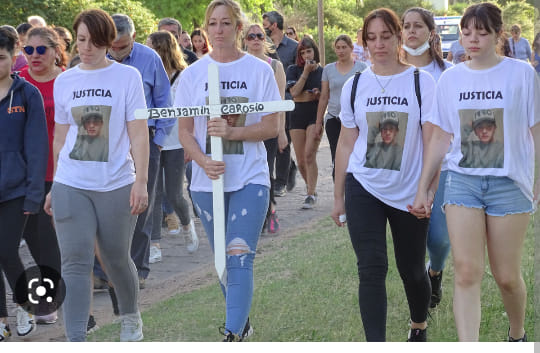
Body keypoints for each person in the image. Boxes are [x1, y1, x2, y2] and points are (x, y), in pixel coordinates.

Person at [410, 2, 540, 342]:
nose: (472, 39)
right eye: (467, 33)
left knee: (506, 276)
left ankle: (517, 334)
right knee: (467, 271)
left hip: (509, 183)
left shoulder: (522, 73)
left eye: (481, 33)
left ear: (497, 34)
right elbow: (440, 135)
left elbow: (536, 130)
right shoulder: (451, 78)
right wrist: (424, 187)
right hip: (462, 181)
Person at [176, 0, 281, 341]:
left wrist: (232, 132)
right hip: (207, 183)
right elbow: (184, 133)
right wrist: (203, 161)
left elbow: (271, 126)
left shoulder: (258, 70)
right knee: (222, 263)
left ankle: (232, 336)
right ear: (205, 29)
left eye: (225, 23)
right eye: (212, 24)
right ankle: (243, 325)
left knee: (238, 256)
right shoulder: (192, 75)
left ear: (238, 28)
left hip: (249, 176)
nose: (218, 30)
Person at [44, 8, 150, 341]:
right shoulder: (65, 80)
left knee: (116, 259)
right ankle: (76, 339)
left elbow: (138, 133)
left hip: (116, 183)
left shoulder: (126, 78)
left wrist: (141, 181)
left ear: (108, 40)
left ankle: (130, 316)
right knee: (75, 262)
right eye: (81, 40)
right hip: (71, 184)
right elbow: (61, 137)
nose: (85, 48)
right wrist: (54, 185)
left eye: (93, 40)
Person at [331, 8, 436, 342]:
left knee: (412, 270)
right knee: (371, 268)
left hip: (410, 192)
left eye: (386, 36)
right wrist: (337, 196)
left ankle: (418, 324)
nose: (378, 44)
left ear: (399, 36)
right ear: (364, 41)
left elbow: (433, 143)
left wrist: (427, 192)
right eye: (371, 37)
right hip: (363, 185)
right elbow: (346, 144)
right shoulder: (355, 84)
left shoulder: (422, 81)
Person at [106, 13, 173, 289]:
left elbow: (164, 102)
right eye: (111, 46)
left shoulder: (150, 59)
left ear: (133, 38)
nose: (115, 52)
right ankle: (106, 269)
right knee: (107, 205)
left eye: (122, 46)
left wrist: (157, 141)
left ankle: (137, 270)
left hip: (144, 140)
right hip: (107, 141)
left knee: (141, 205)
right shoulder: (96, 58)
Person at [400, 6, 454, 309]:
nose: (411, 31)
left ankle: (435, 271)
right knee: (411, 238)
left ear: (430, 32)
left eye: (417, 26)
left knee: (440, 238)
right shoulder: (392, 70)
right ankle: (419, 296)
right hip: (405, 169)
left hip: (442, 167)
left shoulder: (446, 73)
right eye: (406, 26)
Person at [0, 27, 48, 341]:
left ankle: (24, 304)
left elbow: (36, 147)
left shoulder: (26, 93)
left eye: (1, 58)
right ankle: (2, 322)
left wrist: (34, 195)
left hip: (17, 190)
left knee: (5, 250)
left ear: (13, 56)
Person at [18, 26, 65, 324]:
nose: (34, 56)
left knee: (48, 239)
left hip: (58, 171)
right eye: (28, 50)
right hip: (23, 174)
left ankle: (49, 301)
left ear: (55, 50)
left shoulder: (67, 81)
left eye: (40, 50)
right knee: (28, 236)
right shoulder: (17, 83)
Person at [145, 30, 199, 263]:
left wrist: (191, 143)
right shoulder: (144, 75)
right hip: (153, 142)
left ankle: (187, 225)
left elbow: (193, 111)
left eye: (149, 47)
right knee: (153, 195)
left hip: (177, 142)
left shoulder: (184, 76)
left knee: (174, 193)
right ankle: (154, 244)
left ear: (161, 49)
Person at [244, 23, 287, 233]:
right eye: (250, 36)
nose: (255, 39)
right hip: (245, 127)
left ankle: (269, 209)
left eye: (259, 35)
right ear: (244, 40)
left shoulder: (275, 66)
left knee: (266, 169)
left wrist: (282, 132)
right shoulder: (239, 64)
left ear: (265, 39)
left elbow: (280, 101)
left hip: (268, 126)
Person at [315, 34, 366, 180]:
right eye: (338, 48)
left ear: (351, 48)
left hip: (355, 121)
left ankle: (355, 188)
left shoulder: (362, 67)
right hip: (333, 119)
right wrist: (318, 122)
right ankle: (339, 193)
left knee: (355, 155)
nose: (341, 51)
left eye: (344, 47)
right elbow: (324, 96)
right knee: (337, 157)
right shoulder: (329, 69)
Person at [263, 10, 298, 197]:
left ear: (273, 25)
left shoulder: (294, 47)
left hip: (286, 101)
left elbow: (299, 73)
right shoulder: (262, 45)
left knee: (282, 141)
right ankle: (289, 166)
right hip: (266, 102)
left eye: (265, 24)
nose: (263, 28)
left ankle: (281, 182)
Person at [286, 37, 323, 209]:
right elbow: (294, 92)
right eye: (302, 52)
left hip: (314, 115)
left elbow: (323, 96)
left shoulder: (323, 72)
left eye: (309, 51)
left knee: (309, 154)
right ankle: (312, 189)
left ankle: (310, 193)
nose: (306, 55)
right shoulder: (293, 70)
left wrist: (316, 94)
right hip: (297, 114)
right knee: (301, 160)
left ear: (315, 51)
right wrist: (306, 72)